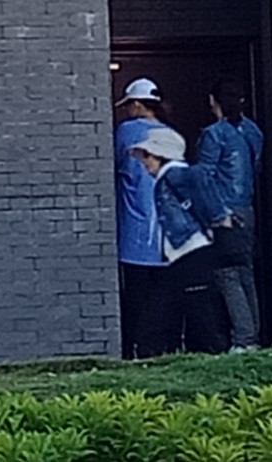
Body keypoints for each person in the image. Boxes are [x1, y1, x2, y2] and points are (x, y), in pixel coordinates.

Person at [131, 127, 231, 355]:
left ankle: (209, 350)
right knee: (193, 305)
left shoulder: (176, 175)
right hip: (187, 251)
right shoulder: (172, 176)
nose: (144, 162)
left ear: (160, 155)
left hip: (189, 250)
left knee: (191, 307)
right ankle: (209, 351)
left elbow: (210, 207)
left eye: (147, 155)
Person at [196, 76, 262, 352]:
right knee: (245, 273)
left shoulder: (214, 134)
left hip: (222, 211)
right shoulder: (252, 131)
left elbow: (204, 176)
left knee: (227, 275)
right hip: (246, 208)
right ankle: (252, 335)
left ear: (214, 102)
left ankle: (243, 338)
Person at [113, 77, 169, 359]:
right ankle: (155, 350)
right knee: (159, 301)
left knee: (134, 298)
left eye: (128, 106)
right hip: (165, 235)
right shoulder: (170, 134)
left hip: (134, 232)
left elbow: (113, 165)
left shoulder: (127, 132)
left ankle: (131, 350)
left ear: (137, 104)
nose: (126, 111)